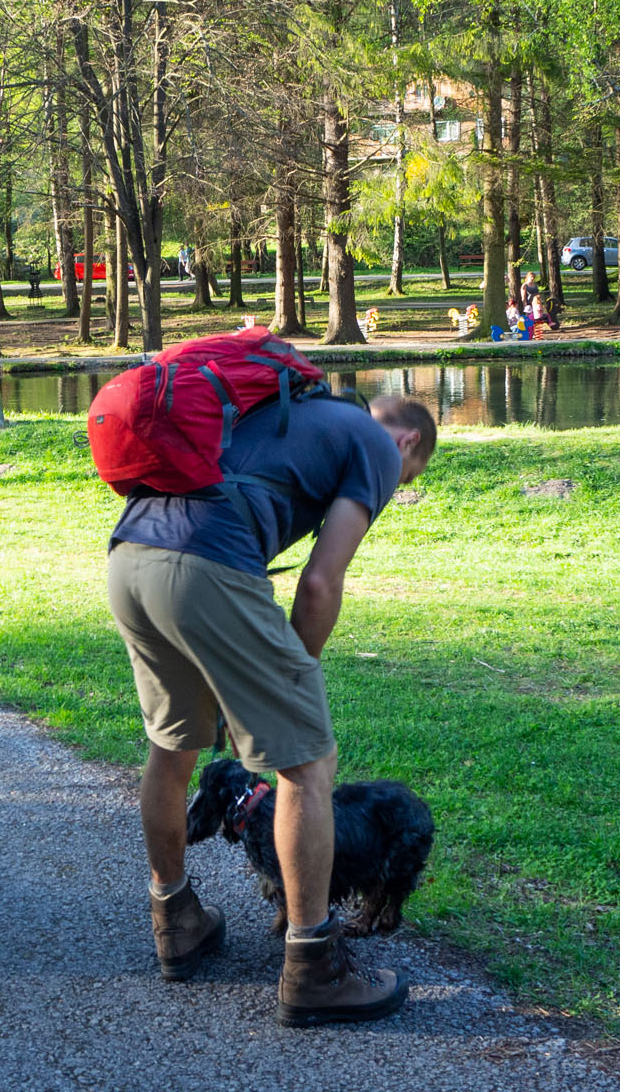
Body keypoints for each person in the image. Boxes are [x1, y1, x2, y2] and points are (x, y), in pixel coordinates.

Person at [106, 390, 437, 1027]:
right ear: (408, 445)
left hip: (130, 559)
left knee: (173, 747)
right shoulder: (376, 445)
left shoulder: (288, 415)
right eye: (410, 476)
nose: (399, 482)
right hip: (208, 563)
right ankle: (314, 969)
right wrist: (292, 683)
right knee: (306, 762)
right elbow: (318, 583)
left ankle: (176, 923)